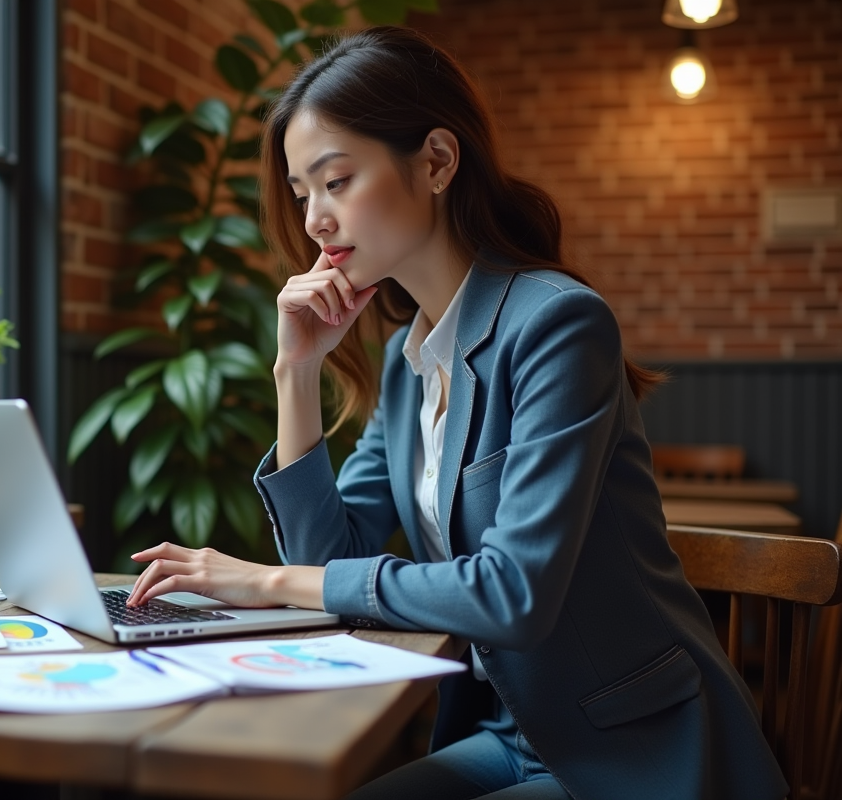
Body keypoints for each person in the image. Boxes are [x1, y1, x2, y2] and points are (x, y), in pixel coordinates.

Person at [125, 26, 785, 800]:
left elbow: (513, 591)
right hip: (509, 734)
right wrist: (295, 373)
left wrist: (267, 583)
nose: (313, 222)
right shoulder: (412, 362)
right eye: (303, 194)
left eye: (336, 182)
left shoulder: (558, 325)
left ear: (436, 161)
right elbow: (328, 552)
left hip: (634, 750)